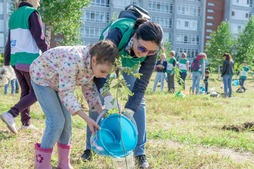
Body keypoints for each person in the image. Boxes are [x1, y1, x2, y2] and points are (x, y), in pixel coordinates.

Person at [81, 5, 163, 168]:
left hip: (130, 65)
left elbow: (141, 84)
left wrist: (130, 109)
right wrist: (108, 96)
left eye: (150, 52)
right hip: (110, 57)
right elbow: (98, 72)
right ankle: (90, 147)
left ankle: (140, 152)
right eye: (141, 48)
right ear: (135, 36)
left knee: (139, 103)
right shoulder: (117, 33)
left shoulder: (151, 52)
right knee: (95, 98)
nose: (144, 53)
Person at [30, 40, 119, 169]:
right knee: (56, 121)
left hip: (58, 83)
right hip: (42, 78)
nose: (104, 76)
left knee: (67, 123)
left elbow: (89, 91)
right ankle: (42, 165)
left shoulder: (92, 65)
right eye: (103, 71)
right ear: (94, 60)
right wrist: (88, 119)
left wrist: (102, 112)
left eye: (107, 74)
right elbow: (66, 94)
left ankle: (64, 163)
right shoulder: (73, 59)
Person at [0, 0, 50, 133]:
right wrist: (51, 55)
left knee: (25, 92)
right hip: (29, 60)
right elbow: (40, 38)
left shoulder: (14, 15)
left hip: (16, 61)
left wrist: (6, 62)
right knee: (37, 93)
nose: (39, 2)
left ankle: (26, 123)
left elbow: (8, 42)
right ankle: (11, 113)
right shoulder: (32, 13)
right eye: (38, 0)